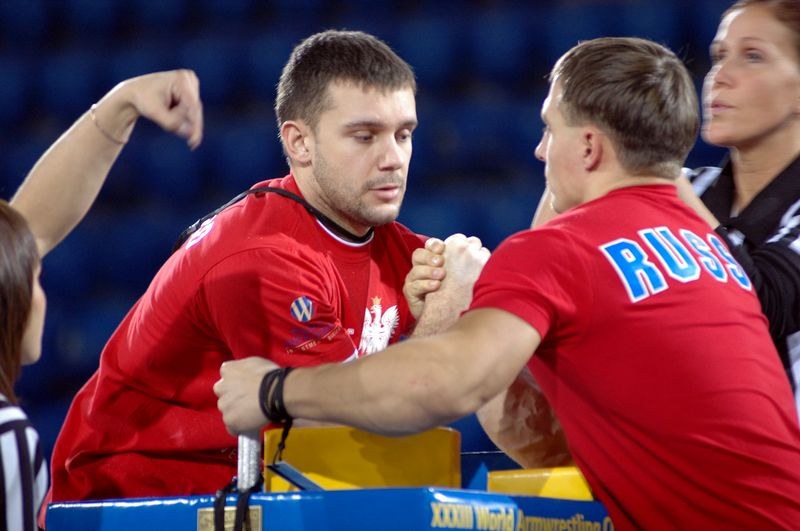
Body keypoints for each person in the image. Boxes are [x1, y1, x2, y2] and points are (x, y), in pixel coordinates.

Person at [215, 37, 800, 529]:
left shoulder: (565, 250)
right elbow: (539, 429)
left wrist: (277, 390)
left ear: (590, 146)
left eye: (551, 128)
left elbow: (444, 386)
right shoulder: (713, 250)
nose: (540, 148)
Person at [46, 30, 487, 504]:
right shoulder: (263, 259)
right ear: (299, 143)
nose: (393, 159)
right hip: (132, 502)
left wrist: (473, 289)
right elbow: (356, 418)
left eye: (404, 134)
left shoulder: (391, 244)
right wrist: (445, 318)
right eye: (365, 136)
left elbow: (504, 330)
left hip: (246, 493)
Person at [0, 69, 202, 531]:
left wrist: (123, 102)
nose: (40, 294)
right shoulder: (6, 437)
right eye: (34, 277)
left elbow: (24, 236)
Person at [676, 0, 800, 412]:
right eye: (718, 56)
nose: (719, 77)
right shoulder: (689, 189)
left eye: (752, 56)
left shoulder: (674, 192)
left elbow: (765, 302)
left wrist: (656, 177)